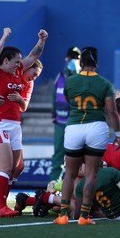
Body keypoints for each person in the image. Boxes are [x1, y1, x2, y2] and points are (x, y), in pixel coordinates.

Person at [0, 27, 47, 218]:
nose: (20, 65)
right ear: (6, 61)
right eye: (17, 61)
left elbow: (34, 55)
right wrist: (4, 36)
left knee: (15, 167)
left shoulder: (18, 73)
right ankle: (0, 207)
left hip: (14, 125)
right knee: (5, 167)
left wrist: (42, 41)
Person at [53, 47, 120, 225]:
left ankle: (63, 215)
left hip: (74, 126)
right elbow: (111, 111)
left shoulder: (70, 81)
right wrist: (119, 133)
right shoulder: (105, 83)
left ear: (81, 62)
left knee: (69, 173)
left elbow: (69, 101)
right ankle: (84, 216)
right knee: (91, 174)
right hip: (96, 127)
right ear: (96, 63)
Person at [50, 46, 81, 182]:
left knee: (77, 156)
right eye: (72, 57)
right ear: (66, 58)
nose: (73, 60)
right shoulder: (60, 76)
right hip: (60, 122)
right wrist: (53, 114)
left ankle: (75, 186)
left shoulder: (81, 76)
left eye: (77, 57)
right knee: (58, 156)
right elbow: (54, 95)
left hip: (75, 123)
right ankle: (52, 185)